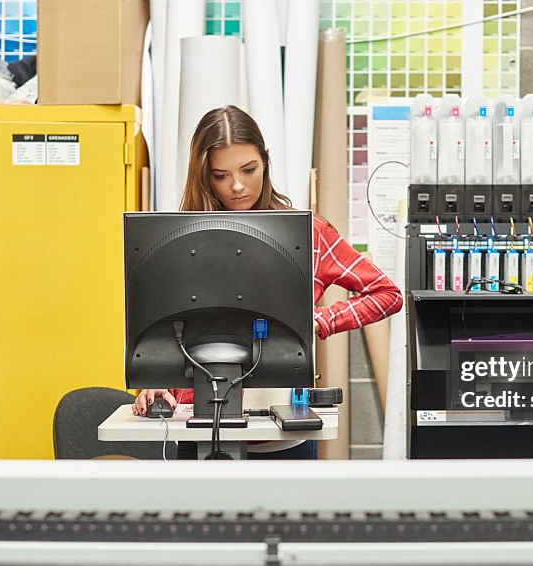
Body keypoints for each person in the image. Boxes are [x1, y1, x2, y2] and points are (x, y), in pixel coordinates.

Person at [132, 105, 402, 459]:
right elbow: (166, 328)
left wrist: (317, 321)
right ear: (203, 175)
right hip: (196, 431)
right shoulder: (176, 241)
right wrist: (154, 387)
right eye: (221, 175)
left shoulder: (307, 234)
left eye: (249, 169)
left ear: (266, 161)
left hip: (282, 436)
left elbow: (387, 294)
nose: (238, 185)